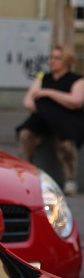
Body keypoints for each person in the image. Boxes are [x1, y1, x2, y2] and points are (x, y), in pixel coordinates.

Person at [17, 46, 84, 194]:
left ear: (67, 61)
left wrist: (48, 93)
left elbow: (76, 101)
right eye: (51, 57)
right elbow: (28, 101)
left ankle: (70, 180)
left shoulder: (77, 80)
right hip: (42, 120)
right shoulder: (42, 77)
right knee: (25, 134)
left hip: (67, 121)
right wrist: (49, 109)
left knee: (66, 143)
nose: (52, 61)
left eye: (57, 58)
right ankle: (25, 176)